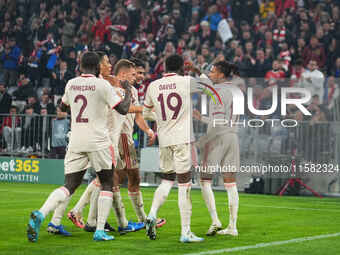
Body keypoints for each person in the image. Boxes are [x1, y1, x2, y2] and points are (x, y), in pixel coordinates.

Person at [26, 51, 132, 242]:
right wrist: (128, 91)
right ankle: (99, 231)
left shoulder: (71, 83)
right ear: (98, 67)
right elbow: (123, 109)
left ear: (81, 66)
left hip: (76, 140)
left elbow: (62, 106)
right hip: (98, 140)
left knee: (69, 185)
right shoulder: (102, 85)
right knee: (107, 182)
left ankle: (41, 213)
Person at [67, 56, 146, 234]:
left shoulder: (109, 85)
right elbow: (124, 108)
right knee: (108, 180)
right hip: (109, 139)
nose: (137, 77)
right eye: (134, 74)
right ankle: (81, 212)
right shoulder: (110, 87)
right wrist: (147, 107)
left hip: (106, 138)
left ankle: (93, 220)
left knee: (106, 180)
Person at [143, 54, 204, 243]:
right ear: (182, 68)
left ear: (165, 68)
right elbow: (209, 86)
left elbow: (146, 113)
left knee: (167, 180)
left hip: (165, 140)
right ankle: (185, 232)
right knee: (184, 184)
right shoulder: (186, 81)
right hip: (182, 139)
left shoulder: (153, 85)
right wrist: (197, 71)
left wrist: (161, 118)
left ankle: (152, 214)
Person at [191, 61, 240, 237]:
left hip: (218, 137)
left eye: (212, 71)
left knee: (204, 180)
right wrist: (198, 71)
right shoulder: (236, 90)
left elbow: (218, 121)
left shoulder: (219, 92)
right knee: (230, 183)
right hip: (233, 136)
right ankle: (232, 227)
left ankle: (215, 221)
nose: (210, 74)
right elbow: (207, 83)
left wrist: (201, 120)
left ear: (220, 74)